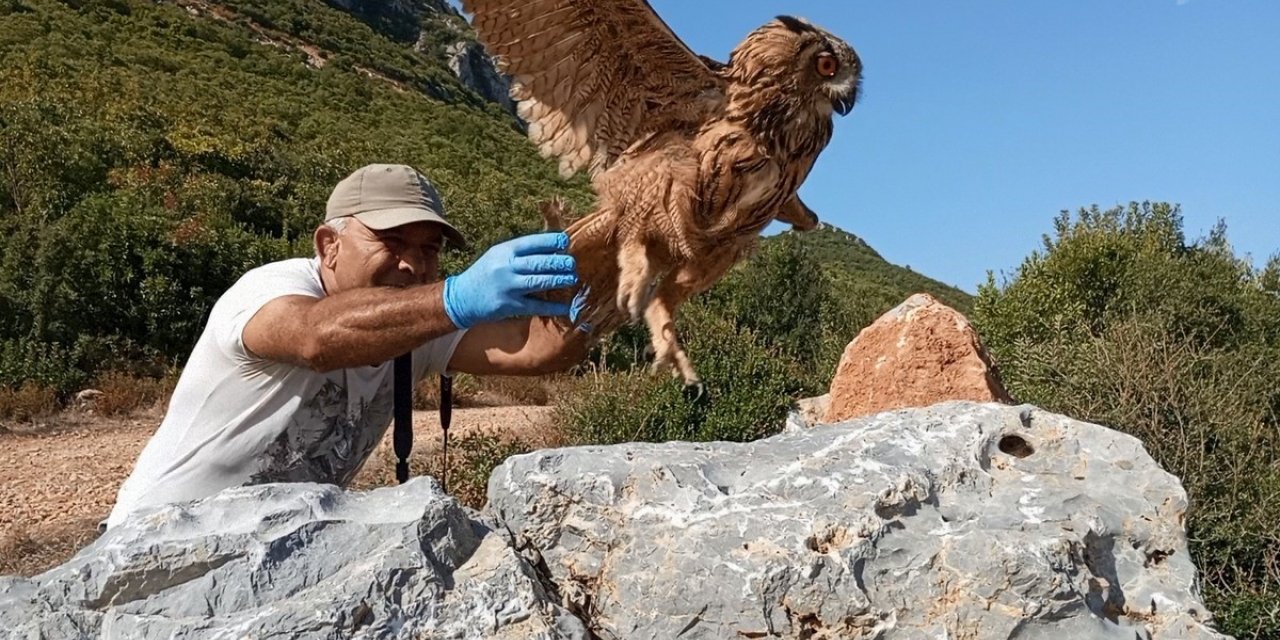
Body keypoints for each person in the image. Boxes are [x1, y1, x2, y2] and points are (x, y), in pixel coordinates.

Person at [105, 163, 589, 529]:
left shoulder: (416, 327)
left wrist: (607, 278)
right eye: (392, 241)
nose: (412, 264)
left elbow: (538, 350)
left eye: (428, 249)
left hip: (274, 553)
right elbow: (316, 337)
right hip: (156, 540)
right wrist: (455, 297)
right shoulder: (267, 289)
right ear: (327, 245)